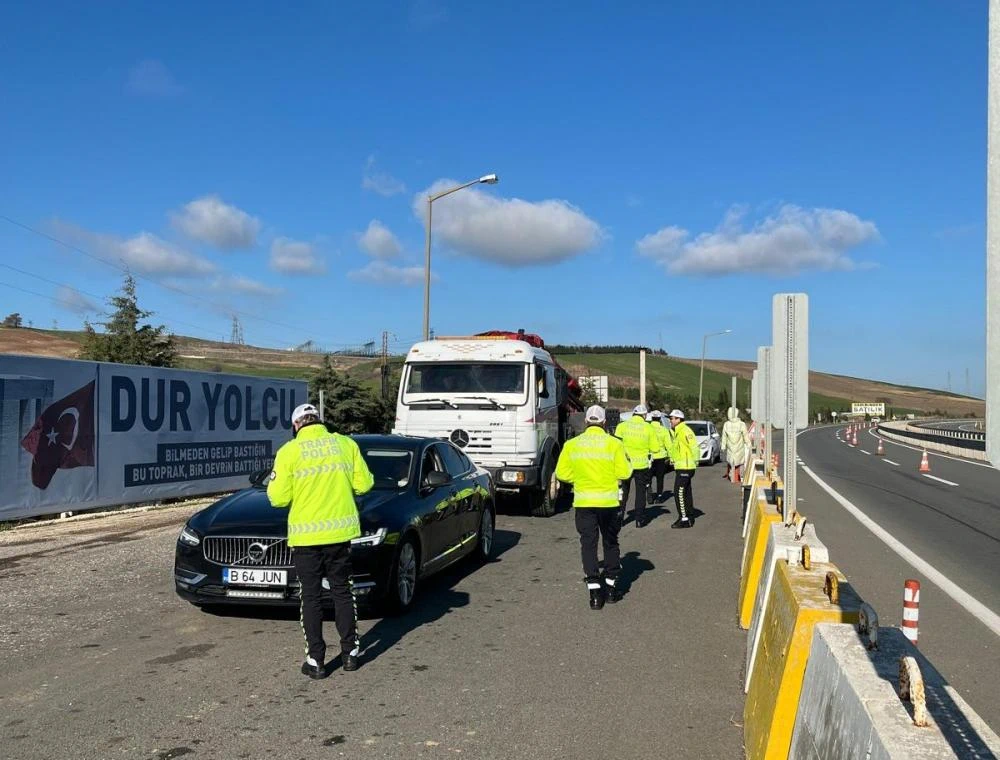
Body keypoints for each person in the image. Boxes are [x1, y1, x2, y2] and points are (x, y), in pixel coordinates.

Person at [267, 403, 374, 679]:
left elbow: (277, 498)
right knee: (342, 591)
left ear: (296, 425)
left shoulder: (289, 451)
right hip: (339, 535)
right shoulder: (345, 444)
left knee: (311, 596)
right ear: (319, 421)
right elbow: (364, 485)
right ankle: (350, 653)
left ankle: (316, 660)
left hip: (305, 537)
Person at [555, 405, 633, 609]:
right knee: (610, 543)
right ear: (604, 422)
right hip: (608, 503)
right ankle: (610, 589)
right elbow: (625, 473)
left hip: (584, 502)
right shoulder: (614, 444)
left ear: (586, 422)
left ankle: (595, 594)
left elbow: (562, 473)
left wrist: (579, 480)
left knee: (588, 545)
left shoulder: (572, 445)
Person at [614, 404, 657, 527]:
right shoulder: (649, 428)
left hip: (625, 464)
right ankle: (639, 519)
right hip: (641, 465)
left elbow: (616, 445)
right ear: (644, 415)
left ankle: (619, 518)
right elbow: (655, 448)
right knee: (640, 492)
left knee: (623, 492)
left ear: (633, 413)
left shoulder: (622, 426)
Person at [666, 409, 700, 529]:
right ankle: (689, 517)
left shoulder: (685, 431)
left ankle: (684, 518)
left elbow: (694, 446)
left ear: (679, 419)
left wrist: (695, 461)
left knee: (679, 493)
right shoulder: (676, 431)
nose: (670, 420)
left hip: (686, 467)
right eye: (670, 418)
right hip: (681, 466)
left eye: (673, 418)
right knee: (686, 493)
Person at [647, 410, 671, 503]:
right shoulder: (664, 430)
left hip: (649, 457)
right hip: (661, 457)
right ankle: (659, 496)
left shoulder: (647, 428)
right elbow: (668, 445)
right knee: (660, 478)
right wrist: (670, 457)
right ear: (660, 418)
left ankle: (649, 492)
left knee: (648, 477)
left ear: (651, 418)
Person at [722, 407, 750, 483]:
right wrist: (748, 444)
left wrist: (723, 446)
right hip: (739, 447)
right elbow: (745, 436)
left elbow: (724, 436)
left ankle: (732, 478)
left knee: (732, 463)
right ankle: (742, 477)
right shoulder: (741, 424)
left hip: (731, 447)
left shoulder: (726, 424)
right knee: (741, 463)